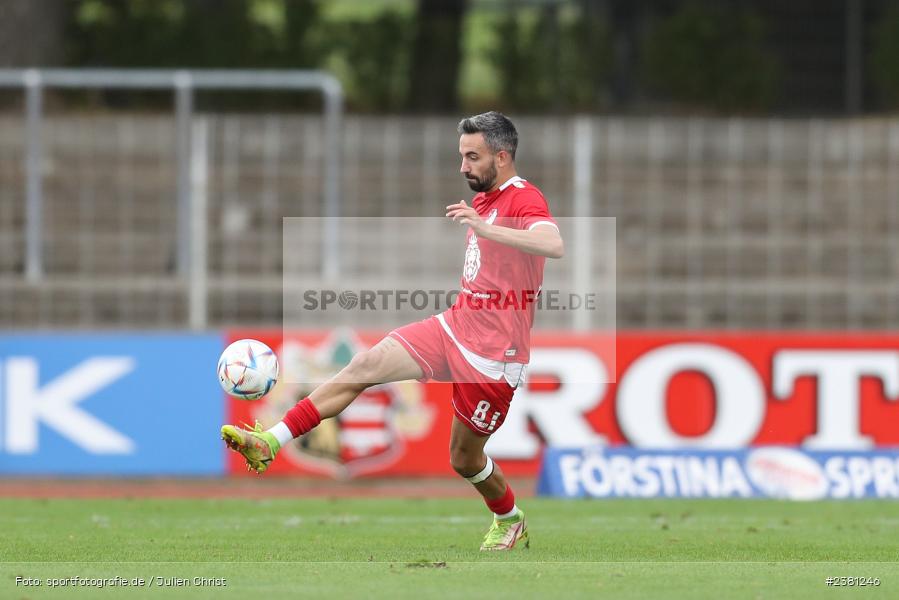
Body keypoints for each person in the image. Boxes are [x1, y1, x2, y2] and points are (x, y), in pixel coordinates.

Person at [222, 111, 563, 551]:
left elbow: (553, 243)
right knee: (365, 364)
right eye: (461, 156)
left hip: (494, 357)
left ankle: (509, 517)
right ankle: (271, 441)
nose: (463, 167)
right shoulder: (485, 200)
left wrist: (489, 230)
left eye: (472, 157)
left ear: (502, 156)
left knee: (463, 458)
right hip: (453, 327)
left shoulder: (522, 198)